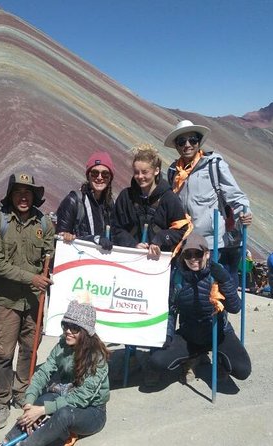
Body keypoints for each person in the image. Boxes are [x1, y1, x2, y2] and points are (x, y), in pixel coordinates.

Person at [111, 143, 190, 386]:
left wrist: (159, 239)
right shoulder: (126, 196)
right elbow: (115, 228)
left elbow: (182, 228)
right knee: (132, 307)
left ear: (156, 170)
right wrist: (132, 244)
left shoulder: (169, 198)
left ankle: (157, 360)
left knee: (160, 311)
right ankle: (132, 356)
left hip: (160, 269)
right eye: (137, 172)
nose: (140, 177)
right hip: (133, 265)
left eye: (145, 171)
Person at [0, 173, 56, 431]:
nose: (24, 197)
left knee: (30, 348)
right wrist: (32, 278)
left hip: (34, 301)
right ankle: (0, 401)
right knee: (3, 352)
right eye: (18, 192)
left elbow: (52, 255)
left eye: (29, 192)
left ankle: (23, 391)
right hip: (6, 299)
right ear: (10, 195)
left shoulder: (44, 223)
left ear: (35, 195)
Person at [0, 301, 110, 446]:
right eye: (66, 326)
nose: (68, 331)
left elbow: (82, 397)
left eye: (75, 328)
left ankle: (27, 444)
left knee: (63, 414)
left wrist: (43, 411)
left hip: (93, 411)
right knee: (41, 401)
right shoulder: (63, 345)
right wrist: (29, 402)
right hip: (66, 394)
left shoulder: (97, 357)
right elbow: (44, 372)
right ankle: (7, 441)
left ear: (86, 332)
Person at [149, 232, 251, 383]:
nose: (193, 259)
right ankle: (194, 357)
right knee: (157, 361)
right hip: (189, 335)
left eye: (198, 253)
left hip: (219, 334)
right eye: (188, 255)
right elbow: (171, 311)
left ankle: (219, 360)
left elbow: (235, 308)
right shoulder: (178, 278)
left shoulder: (217, 275)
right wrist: (168, 335)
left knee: (242, 370)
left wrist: (225, 280)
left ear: (207, 254)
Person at [165, 119, 252, 279]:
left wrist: (244, 213)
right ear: (176, 146)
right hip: (185, 243)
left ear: (199, 142)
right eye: (182, 141)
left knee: (212, 292)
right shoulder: (173, 172)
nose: (187, 145)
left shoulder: (214, 164)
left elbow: (235, 195)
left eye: (193, 140)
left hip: (212, 243)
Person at [56, 151, 115, 250]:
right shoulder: (74, 200)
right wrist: (95, 239)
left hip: (101, 260)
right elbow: (60, 238)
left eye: (105, 174)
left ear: (110, 178)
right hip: (78, 259)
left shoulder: (110, 204)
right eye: (95, 173)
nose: (99, 178)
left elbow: (115, 235)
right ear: (88, 176)